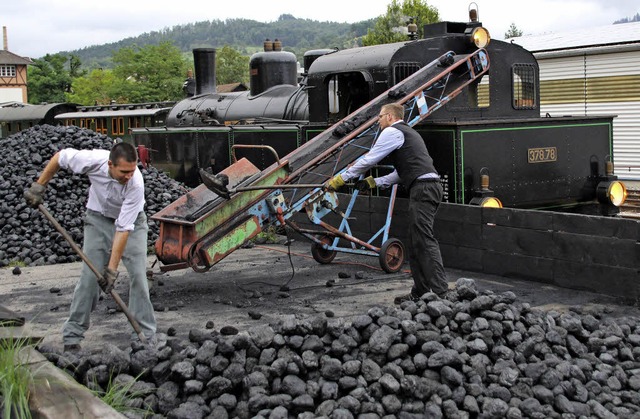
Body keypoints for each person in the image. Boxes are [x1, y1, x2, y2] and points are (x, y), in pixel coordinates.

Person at [24, 142, 156, 351]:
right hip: (98, 220)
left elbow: (123, 229)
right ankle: (72, 337)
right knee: (89, 279)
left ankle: (145, 337)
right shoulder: (93, 160)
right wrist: (40, 186)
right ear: (110, 164)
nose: (129, 176)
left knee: (139, 277)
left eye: (133, 170)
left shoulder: (136, 184)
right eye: (124, 171)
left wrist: (111, 270)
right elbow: (60, 157)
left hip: (132, 225)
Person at [326, 103, 449, 304]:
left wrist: (341, 178)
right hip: (426, 186)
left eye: (380, 117)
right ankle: (420, 292)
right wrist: (375, 182)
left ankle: (442, 292)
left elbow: (369, 160)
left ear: (390, 117)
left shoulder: (392, 131)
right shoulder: (408, 134)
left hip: (424, 188)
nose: (378, 121)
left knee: (424, 239)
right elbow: (402, 173)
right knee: (416, 240)